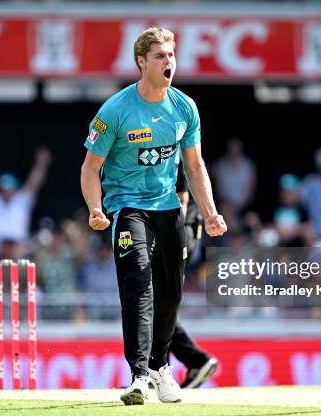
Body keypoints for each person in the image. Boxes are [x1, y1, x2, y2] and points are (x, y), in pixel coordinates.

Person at [80, 27, 227, 405]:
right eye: (160, 56)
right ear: (141, 62)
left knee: (171, 295)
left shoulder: (184, 107)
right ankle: (139, 375)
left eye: (171, 56)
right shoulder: (115, 110)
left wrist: (210, 213)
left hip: (168, 209)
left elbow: (194, 166)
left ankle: (162, 369)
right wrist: (96, 208)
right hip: (128, 208)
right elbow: (89, 167)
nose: (168, 63)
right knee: (139, 284)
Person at [172, 162, 219, 388]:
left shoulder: (176, 148)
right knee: (154, 304)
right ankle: (155, 372)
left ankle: (195, 360)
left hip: (179, 231)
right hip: (185, 230)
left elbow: (182, 201)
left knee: (155, 304)